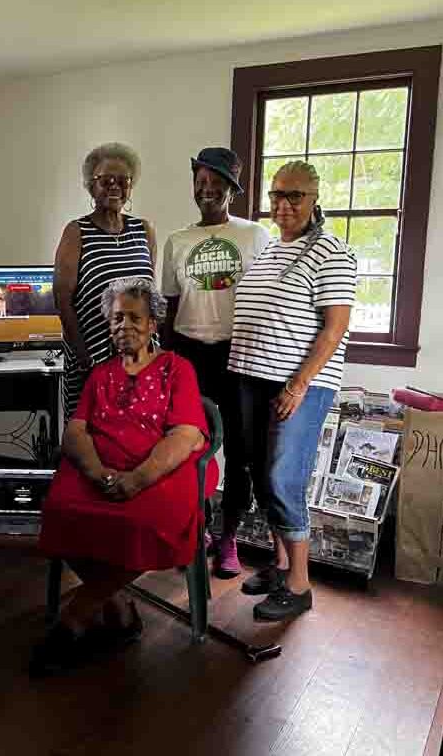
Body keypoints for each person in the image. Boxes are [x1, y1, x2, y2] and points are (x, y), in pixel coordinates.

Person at [31, 277, 217, 677]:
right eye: (117, 318)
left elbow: (186, 435)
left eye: (135, 317)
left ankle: (74, 617)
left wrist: (137, 479)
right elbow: (76, 431)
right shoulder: (100, 374)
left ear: (153, 324)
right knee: (62, 508)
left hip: (164, 468)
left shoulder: (177, 369)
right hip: (104, 469)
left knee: (143, 521)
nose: (124, 325)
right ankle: (116, 606)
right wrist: (97, 472)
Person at [226, 160, 357, 622]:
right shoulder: (270, 249)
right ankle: (280, 566)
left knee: (284, 479)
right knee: (260, 475)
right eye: (277, 195)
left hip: (296, 385)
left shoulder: (331, 251)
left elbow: (335, 327)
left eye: (294, 196)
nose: (283, 205)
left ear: (314, 198)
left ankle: (300, 585)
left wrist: (299, 384)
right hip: (250, 376)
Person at [158, 146, 270, 580]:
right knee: (189, 445)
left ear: (231, 189)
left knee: (242, 449)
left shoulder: (254, 235)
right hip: (189, 353)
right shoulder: (177, 241)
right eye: (200, 182)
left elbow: (267, 297)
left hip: (239, 352)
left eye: (216, 183)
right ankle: (198, 526)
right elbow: (168, 304)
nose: (207, 190)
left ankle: (229, 539)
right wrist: (167, 361)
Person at [54, 143, 156, 419]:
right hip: (92, 359)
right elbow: (62, 301)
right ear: (90, 185)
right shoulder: (77, 232)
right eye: (105, 180)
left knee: (138, 435)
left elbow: (150, 297)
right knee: (92, 440)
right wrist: (86, 360)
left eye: (123, 180)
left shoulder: (143, 230)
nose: (115, 186)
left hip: (140, 360)